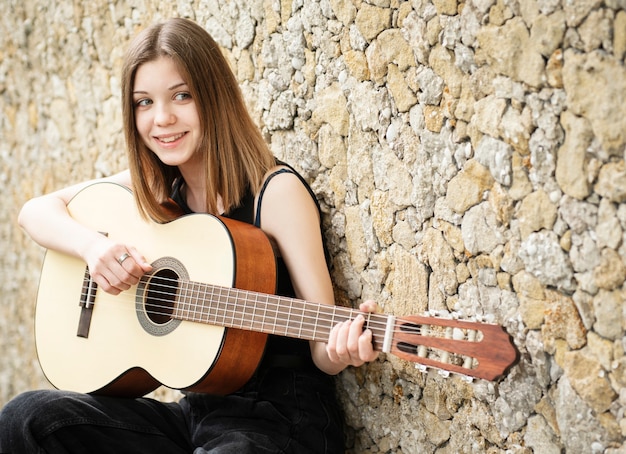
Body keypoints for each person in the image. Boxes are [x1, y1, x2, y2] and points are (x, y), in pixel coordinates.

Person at [0, 17, 378, 453]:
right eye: (144, 102)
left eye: (181, 96)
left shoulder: (274, 193)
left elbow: (321, 346)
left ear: (213, 97)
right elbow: (35, 212)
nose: (162, 119)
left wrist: (343, 348)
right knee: (28, 420)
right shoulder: (159, 186)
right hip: (197, 416)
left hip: (280, 424)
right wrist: (95, 248)